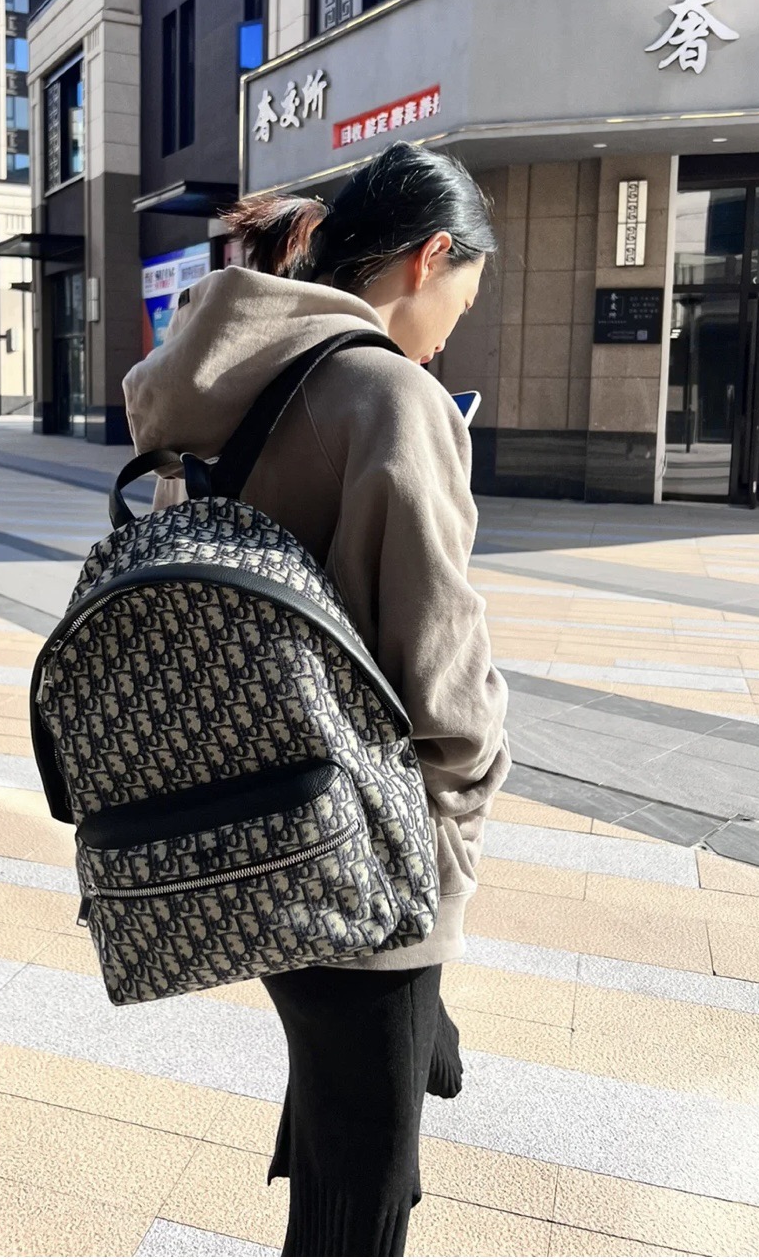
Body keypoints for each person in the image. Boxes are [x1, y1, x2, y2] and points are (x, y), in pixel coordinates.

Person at [120, 142, 510, 1258]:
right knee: (362, 1199)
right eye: (461, 298)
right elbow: (435, 651)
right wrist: (468, 795)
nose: (451, 329)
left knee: (350, 1115)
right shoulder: (389, 394)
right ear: (429, 256)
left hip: (250, 815)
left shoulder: (233, 383)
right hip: (366, 842)